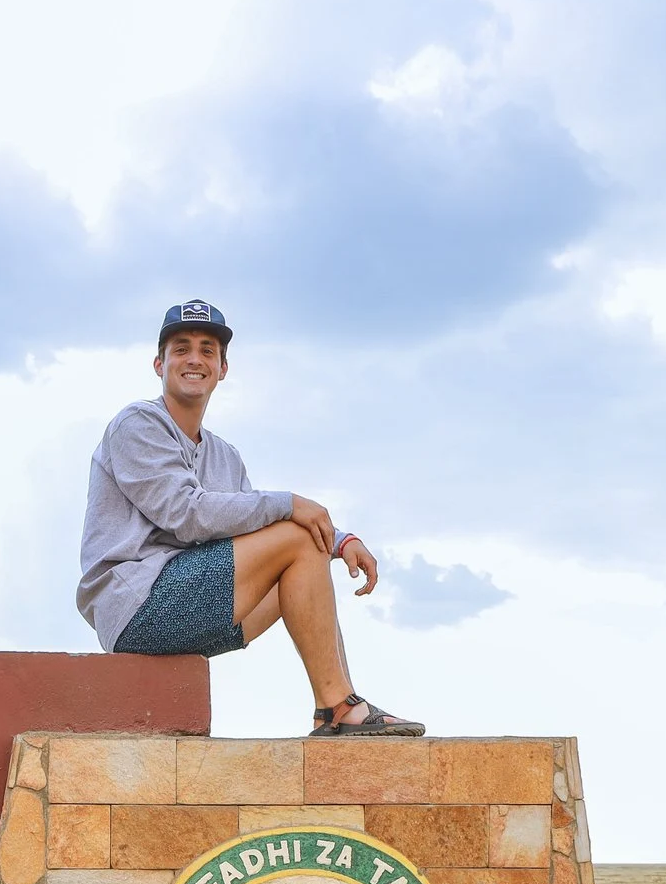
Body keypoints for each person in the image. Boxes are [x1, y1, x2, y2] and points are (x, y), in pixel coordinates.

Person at [78, 299, 423, 737]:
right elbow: (186, 514)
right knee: (296, 538)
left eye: (207, 350)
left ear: (222, 369)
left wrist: (339, 540)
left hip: (190, 606)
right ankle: (340, 706)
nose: (194, 359)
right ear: (158, 363)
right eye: (181, 348)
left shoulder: (225, 456)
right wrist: (290, 503)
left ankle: (335, 708)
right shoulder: (137, 424)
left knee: (306, 549)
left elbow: (258, 527)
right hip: (136, 610)